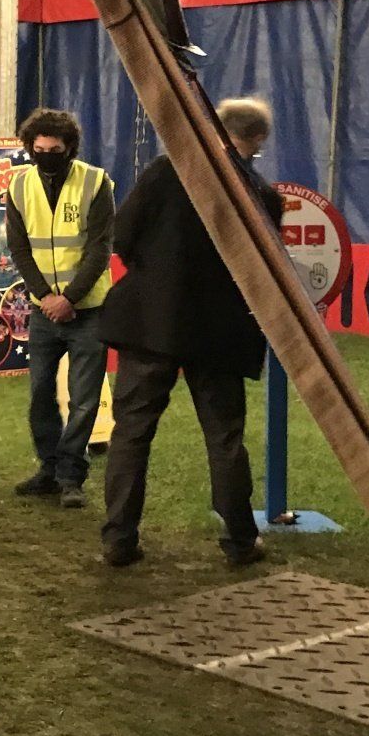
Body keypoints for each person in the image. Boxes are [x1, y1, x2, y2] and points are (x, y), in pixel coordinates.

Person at [97, 97, 283, 568]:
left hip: (151, 325)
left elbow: (123, 236)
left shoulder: (168, 171)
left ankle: (119, 539)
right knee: (224, 439)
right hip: (220, 336)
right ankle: (241, 540)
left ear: (215, 128)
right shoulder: (263, 195)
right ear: (257, 141)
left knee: (132, 433)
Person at [4, 107, 114, 509]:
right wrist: (46, 299)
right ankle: (48, 470)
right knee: (39, 394)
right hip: (43, 312)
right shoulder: (18, 188)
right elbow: (18, 248)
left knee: (84, 400)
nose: (46, 155)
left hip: (89, 310)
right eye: (39, 149)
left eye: (54, 149)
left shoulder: (96, 182)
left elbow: (101, 247)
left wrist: (69, 298)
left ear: (69, 148)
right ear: (30, 148)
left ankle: (71, 477)